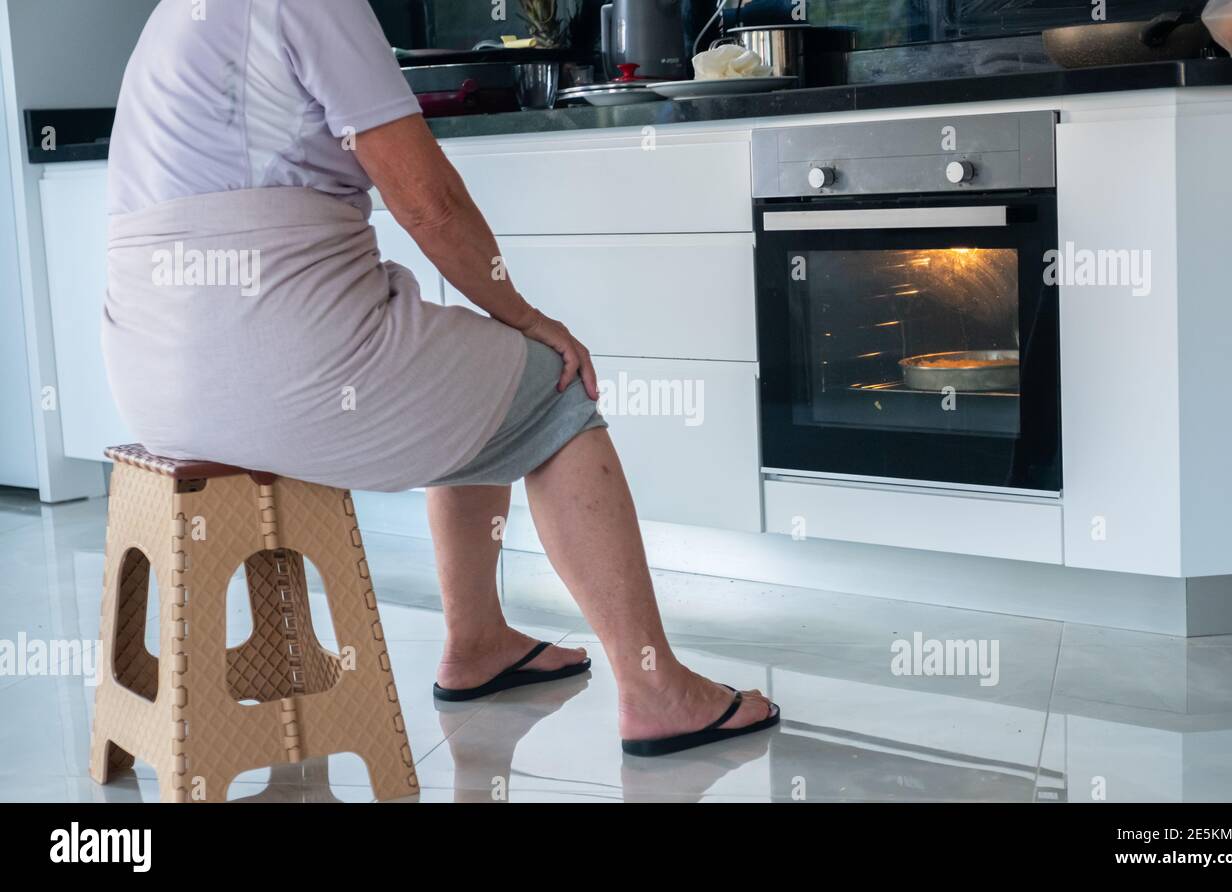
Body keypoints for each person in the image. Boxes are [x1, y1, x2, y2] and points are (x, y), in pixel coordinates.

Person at [102, 0, 777, 757]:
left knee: (474, 378)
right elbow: (428, 200)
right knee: (554, 387)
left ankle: (479, 641)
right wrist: (526, 315)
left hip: (153, 377)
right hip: (273, 357)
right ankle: (657, 691)